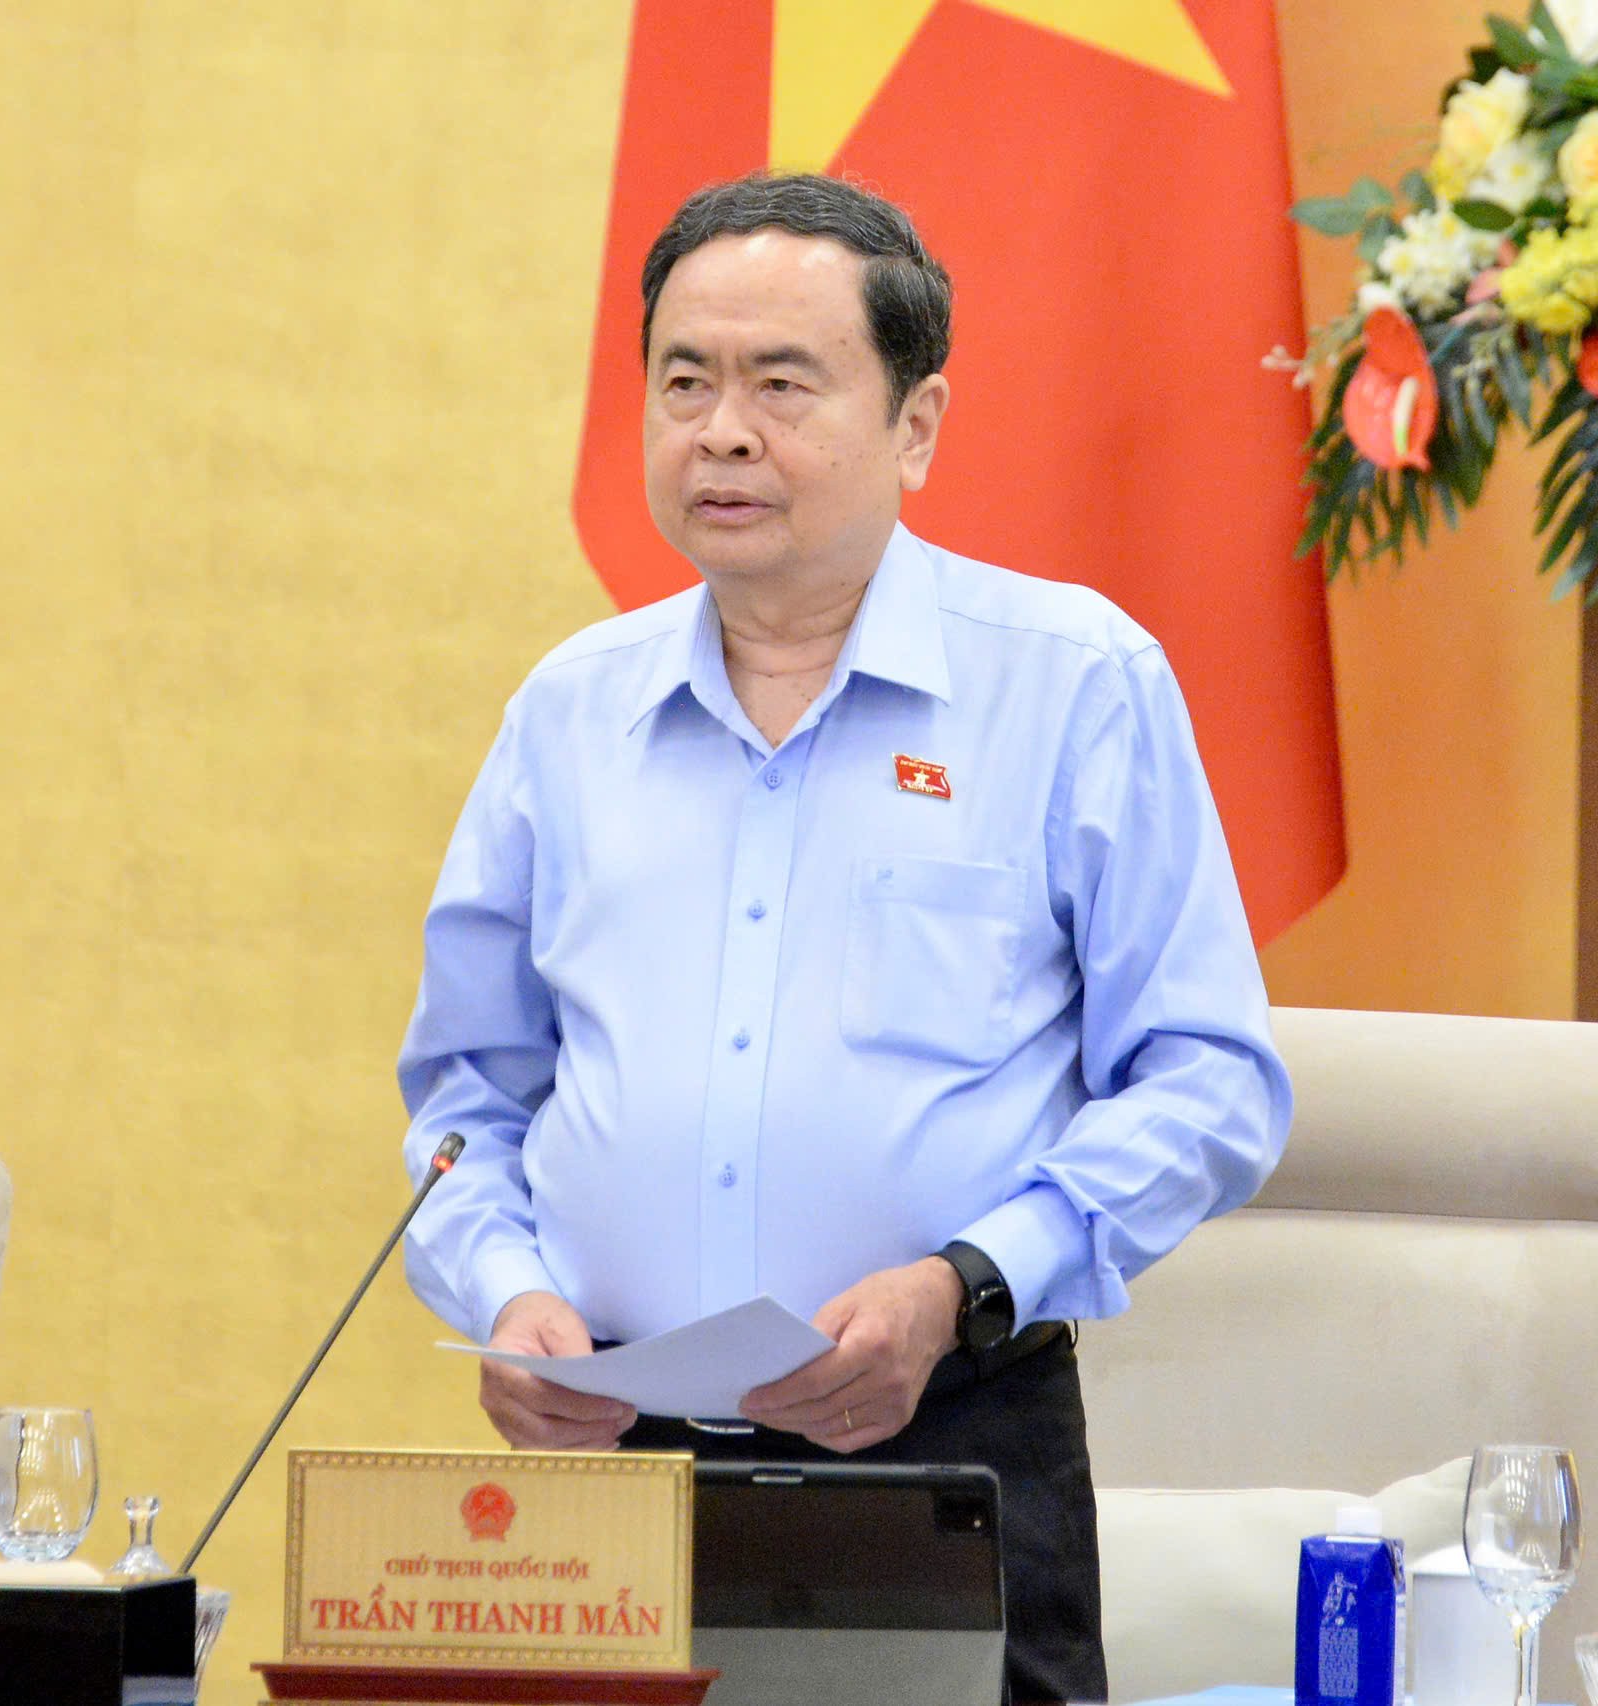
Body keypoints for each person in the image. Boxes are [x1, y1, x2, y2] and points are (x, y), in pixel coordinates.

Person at [398, 171, 1292, 1704]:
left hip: (946, 1446)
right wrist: (502, 1291)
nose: (722, 432)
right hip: (610, 1477)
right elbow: (468, 1098)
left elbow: (1212, 1081)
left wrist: (963, 1283)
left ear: (917, 425)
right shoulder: (569, 714)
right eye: (685, 382)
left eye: (781, 384)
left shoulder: (1072, 684)